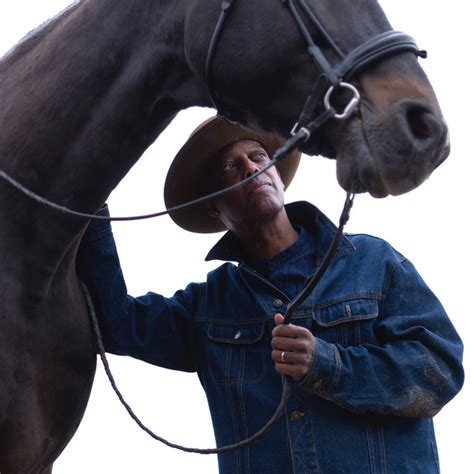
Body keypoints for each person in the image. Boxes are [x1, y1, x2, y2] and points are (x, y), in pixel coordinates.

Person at [78, 116, 464, 473]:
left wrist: (328, 365)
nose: (250, 167)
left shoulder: (374, 262)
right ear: (213, 206)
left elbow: (440, 369)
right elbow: (115, 324)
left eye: (258, 156)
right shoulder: (208, 306)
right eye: (232, 167)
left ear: (277, 174)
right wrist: (88, 199)